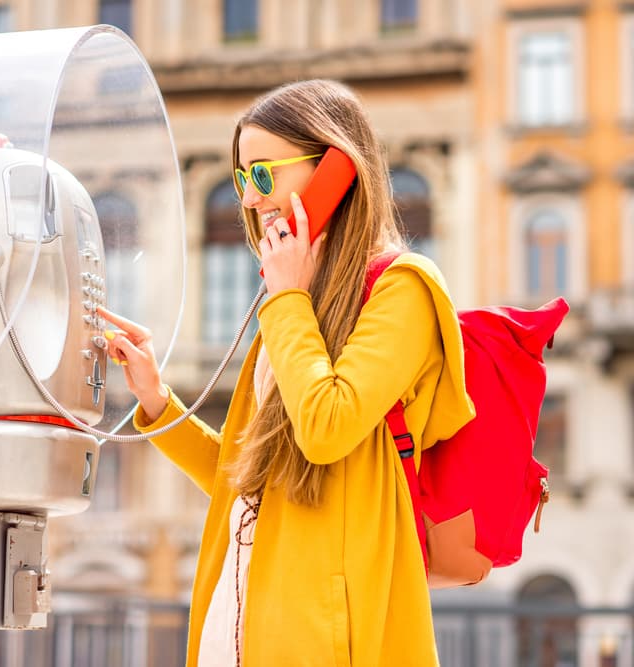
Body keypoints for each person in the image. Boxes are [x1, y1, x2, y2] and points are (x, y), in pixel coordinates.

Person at [100, 79, 475, 667]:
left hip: (328, 628)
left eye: (265, 174)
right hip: (244, 609)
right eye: (242, 179)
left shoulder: (402, 289)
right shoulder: (292, 307)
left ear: (337, 170)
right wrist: (156, 399)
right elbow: (245, 476)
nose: (250, 199)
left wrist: (287, 297)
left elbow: (327, 427)